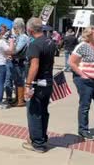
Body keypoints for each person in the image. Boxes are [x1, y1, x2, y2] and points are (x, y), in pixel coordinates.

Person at [22, 18, 55, 153]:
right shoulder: (50, 42)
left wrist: (28, 84)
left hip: (37, 83)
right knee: (43, 111)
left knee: (34, 112)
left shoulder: (35, 45)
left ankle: (38, 143)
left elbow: (34, 66)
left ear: (30, 30)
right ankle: (41, 137)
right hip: (47, 82)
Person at [10, 18, 29, 107]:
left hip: (21, 62)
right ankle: (18, 98)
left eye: (15, 28)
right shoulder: (19, 37)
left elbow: (16, 50)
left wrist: (10, 46)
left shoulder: (23, 37)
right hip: (16, 61)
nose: (14, 29)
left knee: (20, 80)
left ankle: (20, 100)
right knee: (17, 81)